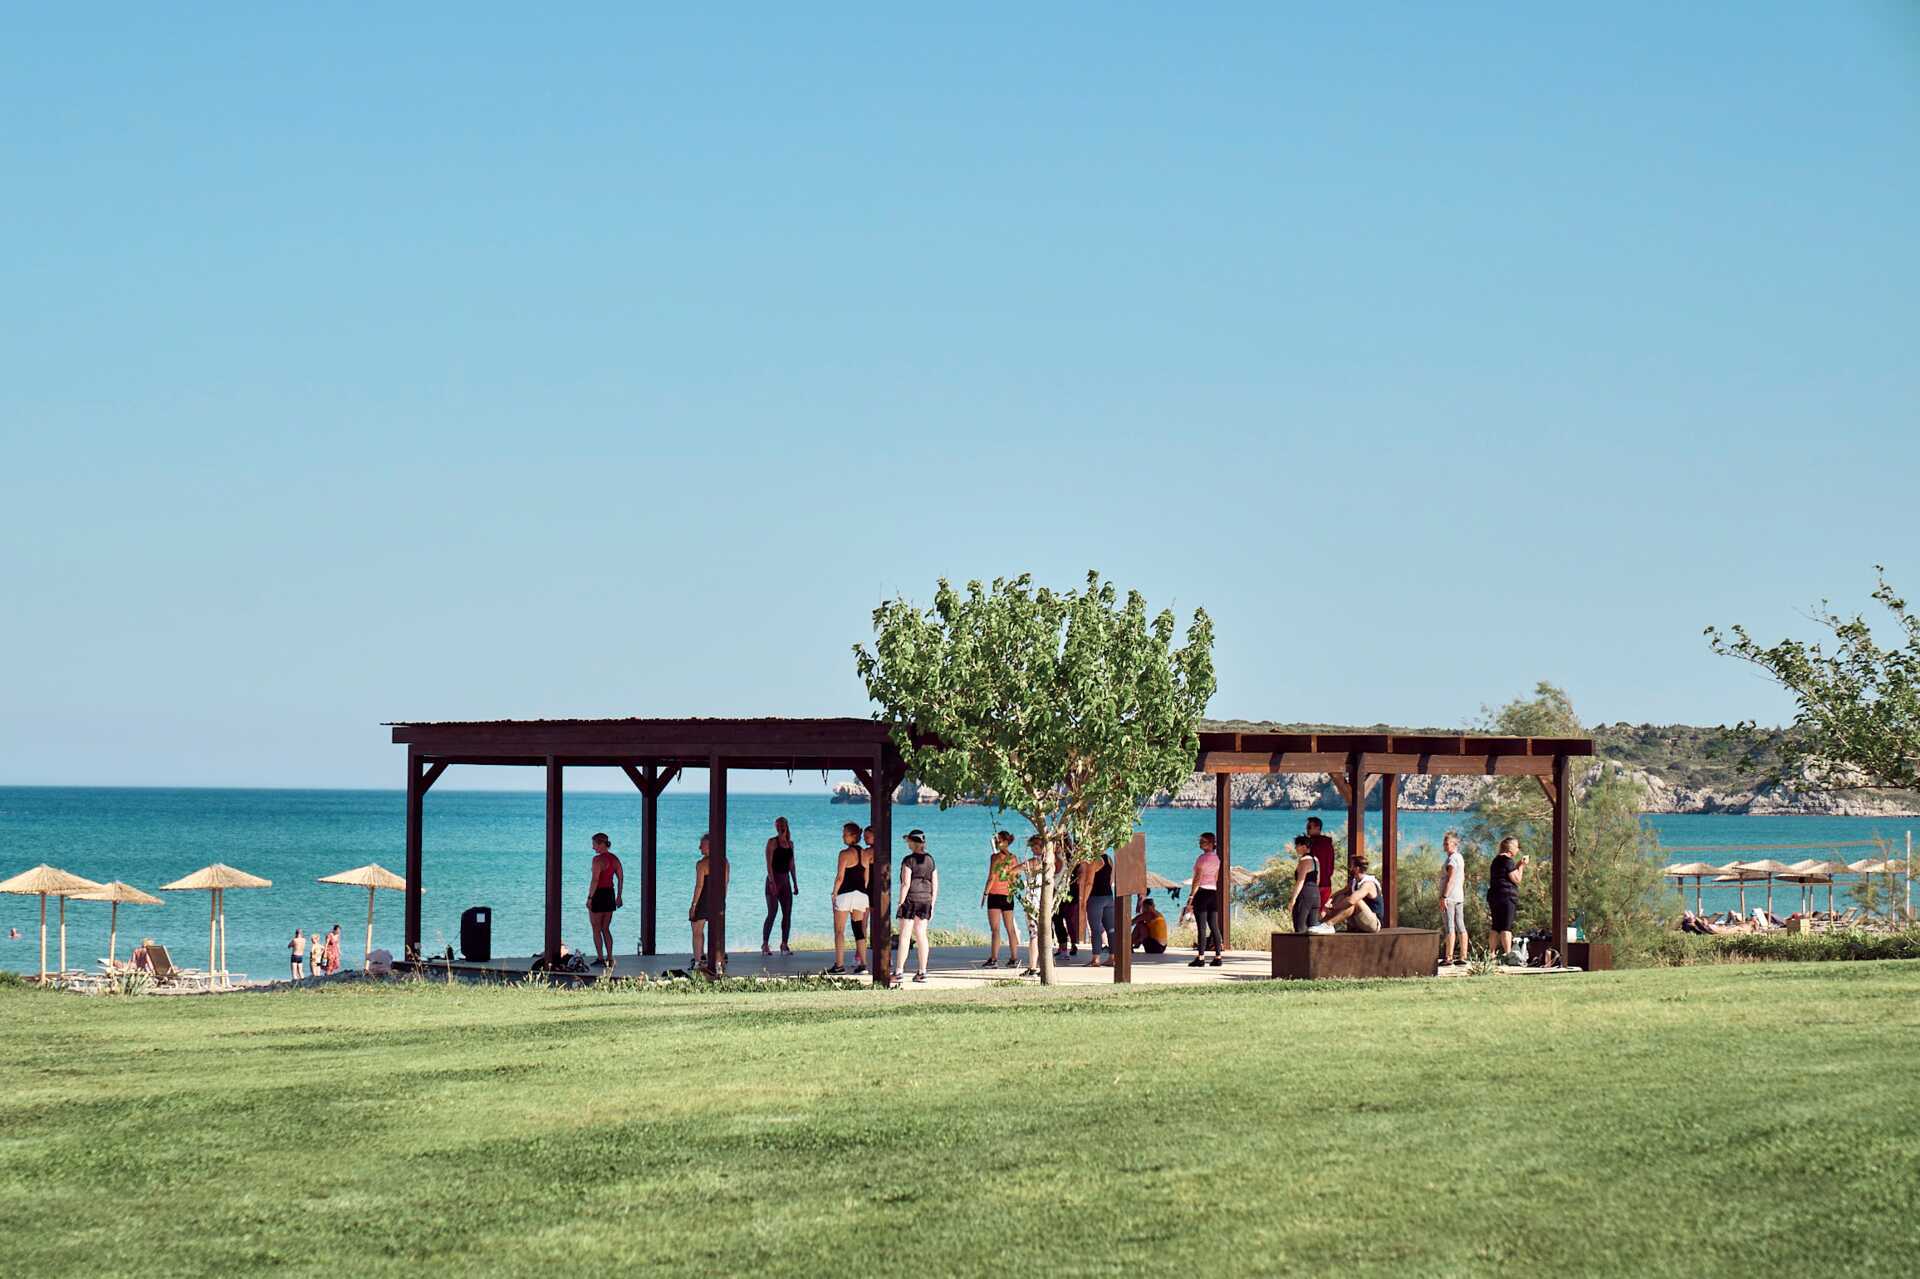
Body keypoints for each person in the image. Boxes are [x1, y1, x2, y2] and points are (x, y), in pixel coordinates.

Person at [890, 830, 938, 985]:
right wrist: (932, 904)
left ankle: (899, 971)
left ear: (912, 842)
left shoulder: (908, 860)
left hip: (910, 899)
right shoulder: (930, 860)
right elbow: (935, 884)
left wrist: (900, 902)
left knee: (905, 936)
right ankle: (922, 971)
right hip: (926, 900)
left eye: (909, 841)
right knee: (921, 935)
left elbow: (905, 883)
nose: (907, 844)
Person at [829, 821, 870, 975]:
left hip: (845, 895)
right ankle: (863, 964)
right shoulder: (865, 853)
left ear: (852, 836)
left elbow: (840, 877)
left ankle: (839, 965)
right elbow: (866, 878)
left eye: (845, 834)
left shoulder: (844, 854)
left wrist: (834, 893)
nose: (843, 837)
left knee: (839, 931)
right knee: (858, 930)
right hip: (861, 895)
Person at [980, 831, 1022, 968]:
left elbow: (991, 877)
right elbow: (1015, 879)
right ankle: (1014, 958)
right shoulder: (1013, 858)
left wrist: (985, 894)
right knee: (1010, 928)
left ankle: (994, 959)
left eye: (998, 841)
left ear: (1005, 842)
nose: (997, 843)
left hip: (994, 895)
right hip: (1008, 895)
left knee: (996, 929)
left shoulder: (995, 857)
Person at [690, 833, 730, 973]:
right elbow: (725, 883)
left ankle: (698, 961)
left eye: (702, 845)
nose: (699, 847)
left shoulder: (701, 864)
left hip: (703, 900)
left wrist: (693, 905)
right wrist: (722, 900)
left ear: (709, 846)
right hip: (718, 900)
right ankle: (718, 963)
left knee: (697, 931)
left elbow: (699, 886)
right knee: (716, 932)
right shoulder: (724, 862)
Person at [1185, 832, 1224, 967]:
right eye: (1200, 841)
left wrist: (1191, 896)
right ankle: (1218, 957)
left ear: (1211, 844)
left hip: (1202, 893)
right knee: (1214, 926)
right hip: (1213, 893)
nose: (1200, 843)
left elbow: (1197, 879)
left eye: (1203, 841)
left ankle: (1201, 958)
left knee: (1202, 927)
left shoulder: (1202, 859)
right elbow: (1216, 877)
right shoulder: (1217, 859)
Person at [586, 832, 623, 970]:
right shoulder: (615, 859)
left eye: (594, 844)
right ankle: (610, 958)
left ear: (601, 844)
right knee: (606, 928)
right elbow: (621, 878)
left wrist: (590, 898)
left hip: (599, 894)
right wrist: (619, 896)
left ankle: (601, 958)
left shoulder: (597, 860)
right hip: (609, 894)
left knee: (596, 928)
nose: (593, 847)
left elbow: (595, 880)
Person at [1487, 836, 1528, 963]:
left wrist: (1518, 864)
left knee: (1495, 926)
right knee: (1506, 927)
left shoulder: (1496, 860)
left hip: (1494, 895)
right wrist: (1522, 866)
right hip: (1507, 896)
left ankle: (1491, 954)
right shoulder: (1507, 860)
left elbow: (1508, 873)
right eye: (1517, 847)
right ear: (1511, 848)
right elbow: (1516, 879)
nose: (1518, 849)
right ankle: (1508, 955)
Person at [762, 816, 798, 955]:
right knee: (772, 912)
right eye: (778, 825)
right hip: (774, 880)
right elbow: (769, 865)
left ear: (786, 825)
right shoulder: (772, 842)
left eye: (782, 825)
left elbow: (792, 865)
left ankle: (784, 944)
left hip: (785, 882)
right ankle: (765, 944)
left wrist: (795, 883)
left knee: (787, 913)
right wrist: (772, 883)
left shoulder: (790, 844)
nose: (780, 827)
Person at [1319, 854, 1382, 933]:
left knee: (1355, 901)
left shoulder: (1368, 884)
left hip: (1374, 924)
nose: (1349, 868)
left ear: (1357, 868)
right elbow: (1340, 892)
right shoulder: (1354, 882)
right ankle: (1322, 923)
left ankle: (1329, 925)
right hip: (1359, 921)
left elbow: (1352, 900)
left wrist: (1334, 907)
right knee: (1341, 896)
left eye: (1351, 866)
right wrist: (1329, 901)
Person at [1083, 848, 1117, 968]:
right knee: (1111, 929)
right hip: (1109, 896)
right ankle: (1113, 958)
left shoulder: (1094, 860)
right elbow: (1111, 879)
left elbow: (1089, 882)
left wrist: (1084, 900)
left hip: (1095, 898)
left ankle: (1096, 959)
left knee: (1096, 929)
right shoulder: (1109, 859)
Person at [1438, 830, 1468, 965]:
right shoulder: (1460, 857)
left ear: (1455, 844)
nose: (1445, 846)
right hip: (1458, 896)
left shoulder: (1452, 860)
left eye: (1447, 843)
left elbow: (1451, 878)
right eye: (1444, 843)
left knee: (1450, 926)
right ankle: (1463, 955)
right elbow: (1462, 877)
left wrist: (1444, 896)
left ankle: (1449, 957)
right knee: (1460, 925)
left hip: (1450, 897)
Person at [1047, 840, 1077, 959]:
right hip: (1065, 892)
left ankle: (1063, 948)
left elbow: (1051, 875)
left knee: (1057, 921)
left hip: (1058, 893)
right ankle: (1063, 947)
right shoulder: (1067, 857)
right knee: (1062, 920)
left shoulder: (1057, 859)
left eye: (1057, 845)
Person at [1286, 835, 1321, 933]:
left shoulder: (1304, 860)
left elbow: (1300, 881)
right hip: (1316, 894)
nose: (1295, 848)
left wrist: (1293, 899)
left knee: (1300, 927)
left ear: (1304, 846)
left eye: (1297, 845)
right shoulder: (1316, 860)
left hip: (1305, 894)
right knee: (1313, 928)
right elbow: (1318, 880)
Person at [1304, 817, 1336, 912]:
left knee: (1309, 913)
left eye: (1309, 827)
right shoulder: (1328, 844)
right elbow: (1331, 865)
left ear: (1317, 828)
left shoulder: (1311, 844)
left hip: (1313, 884)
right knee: (1322, 912)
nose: (1307, 829)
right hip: (1326, 883)